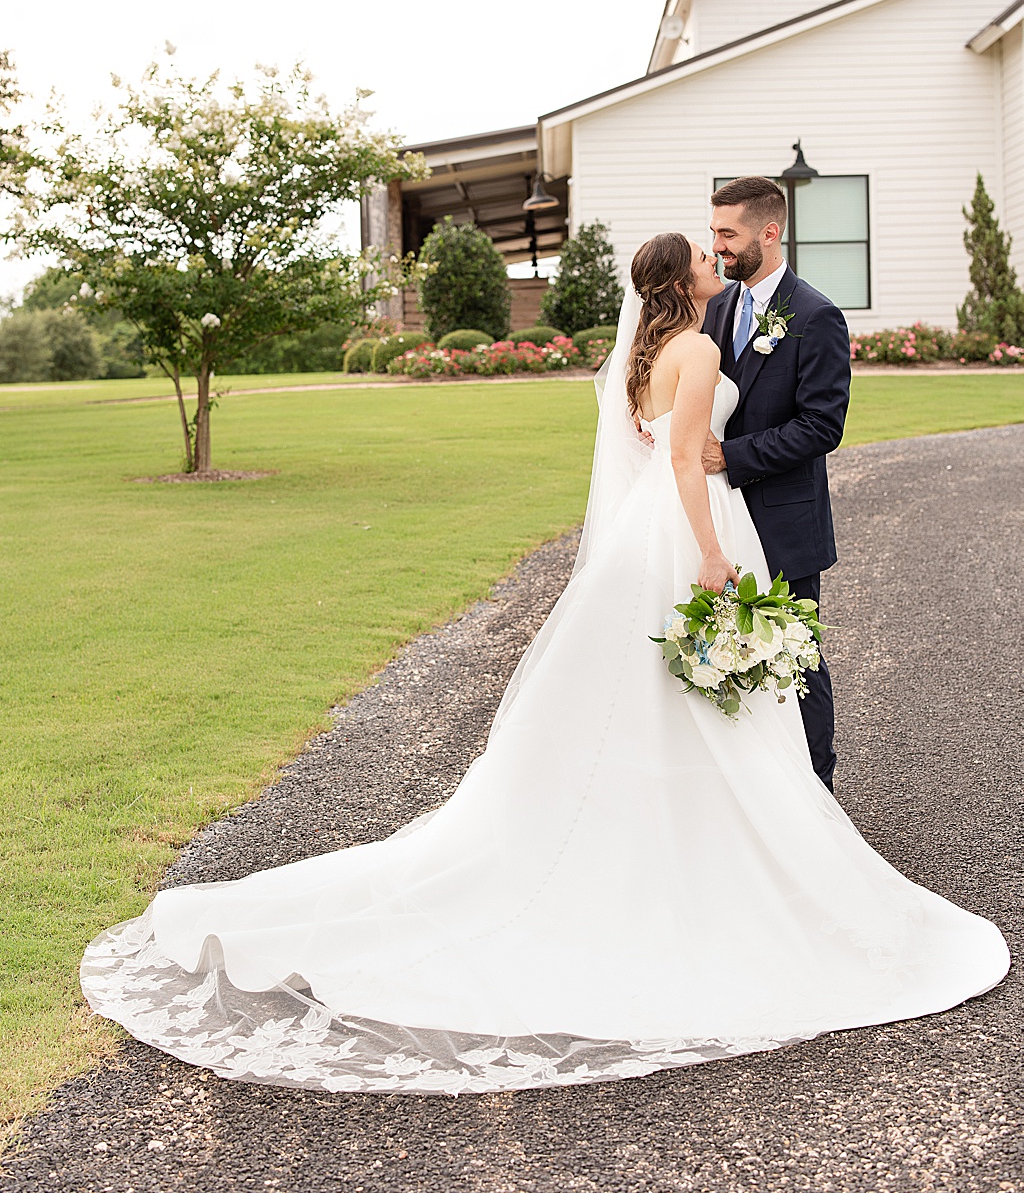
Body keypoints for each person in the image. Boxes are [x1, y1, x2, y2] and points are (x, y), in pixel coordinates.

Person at [81, 234, 1008, 1096]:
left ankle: (685, 830)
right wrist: (714, 555)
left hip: (648, 541)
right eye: (700, 257)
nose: (712, 259)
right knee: (709, 693)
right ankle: (717, 845)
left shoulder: (646, 351)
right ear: (685, 283)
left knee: (670, 695)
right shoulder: (696, 351)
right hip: (697, 530)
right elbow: (688, 462)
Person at [703, 176, 850, 792]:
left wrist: (729, 457)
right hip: (717, 520)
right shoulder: (717, 307)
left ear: (769, 232)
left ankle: (818, 796)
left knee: (794, 661)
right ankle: (749, 795)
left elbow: (822, 426)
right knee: (722, 657)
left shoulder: (817, 316)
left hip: (784, 521)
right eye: (713, 234)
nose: (717, 247)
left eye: (727, 234)